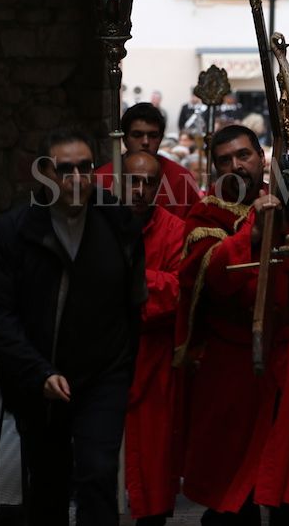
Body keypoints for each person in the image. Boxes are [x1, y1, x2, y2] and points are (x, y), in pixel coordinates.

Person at [175, 124, 289, 526]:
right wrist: (255, 232)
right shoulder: (207, 213)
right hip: (235, 361)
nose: (236, 165)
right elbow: (206, 277)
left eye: (243, 155)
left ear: (262, 158)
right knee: (233, 480)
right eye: (224, 160)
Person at [0, 127, 146, 526]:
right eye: (65, 169)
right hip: (39, 378)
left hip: (104, 373)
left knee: (98, 473)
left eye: (85, 167)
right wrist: (37, 372)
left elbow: (133, 299)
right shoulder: (16, 230)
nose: (77, 178)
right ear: (46, 173)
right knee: (48, 481)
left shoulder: (117, 220)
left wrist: (123, 366)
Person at [120, 152, 185, 526]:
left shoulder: (174, 229)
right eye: (133, 181)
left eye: (148, 183)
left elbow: (177, 290)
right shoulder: (99, 227)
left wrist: (125, 281)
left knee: (155, 453)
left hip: (155, 354)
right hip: (108, 352)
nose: (140, 190)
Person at [95, 102, 202, 219]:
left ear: (161, 139)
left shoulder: (181, 179)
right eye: (137, 135)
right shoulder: (101, 178)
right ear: (125, 139)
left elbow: (196, 224)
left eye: (153, 136)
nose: (145, 142)